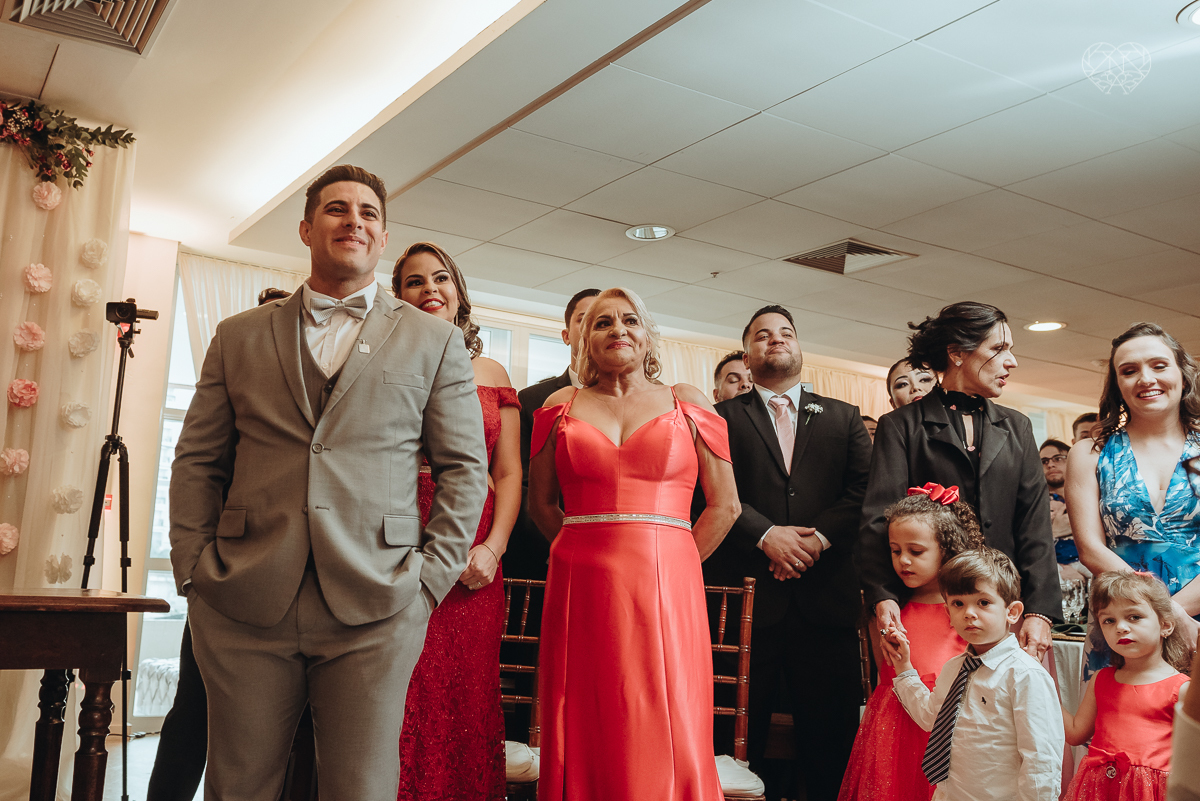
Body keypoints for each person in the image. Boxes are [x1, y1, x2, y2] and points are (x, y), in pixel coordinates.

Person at [169, 165, 489, 800]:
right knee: (238, 786)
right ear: (306, 228)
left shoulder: (434, 342)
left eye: (369, 213)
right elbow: (198, 461)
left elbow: (464, 470)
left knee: (361, 788)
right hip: (242, 599)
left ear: (383, 235)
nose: (355, 221)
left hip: (378, 601)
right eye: (338, 209)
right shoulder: (238, 336)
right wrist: (194, 571)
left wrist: (427, 583)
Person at [528, 287, 740, 801]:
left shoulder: (687, 401)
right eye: (602, 322)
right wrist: (586, 549)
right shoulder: (560, 406)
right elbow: (541, 504)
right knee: (585, 704)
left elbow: (725, 506)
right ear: (583, 339)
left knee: (663, 703)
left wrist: (676, 561)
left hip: (668, 581)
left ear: (648, 338)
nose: (617, 330)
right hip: (580, 582)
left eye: (629, 321)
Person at [702, 304, 872, 801]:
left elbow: (863, 492)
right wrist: (766, 535)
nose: (775, 339)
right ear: (748, 354)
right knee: (737, 744)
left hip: (827, 606)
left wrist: (814, 541)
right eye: (762, 335)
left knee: (831, 745)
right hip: (748, 607)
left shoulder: (842, 418)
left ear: (799, 348)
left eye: (785, 333)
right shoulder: (719, 418)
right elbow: (706, 492)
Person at [148, 286, 298, 801]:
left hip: (300, 585)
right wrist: (196, 570)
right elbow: (197, 469)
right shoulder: (236, 390)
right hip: (228, 573)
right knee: (194, 707)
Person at [859, 301, 1062, 664]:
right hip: (930, 605)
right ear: (956, 354)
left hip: (1003, 610)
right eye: (999, 349)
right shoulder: (902, 425)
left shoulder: (1017, 427)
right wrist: (882, 594)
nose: (1011, 361)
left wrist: (1040, 611)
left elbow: (1034, 525)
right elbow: (879, 520)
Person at [392, 242, 521, 801]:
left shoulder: (491, 373)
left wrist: (493, 549)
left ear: (459, 294)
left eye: (440, 279)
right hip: (398, 545)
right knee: (398, 693)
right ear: (397, 297)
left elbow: (511, 474)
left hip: (475, 559)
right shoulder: (382, 363)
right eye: (414, 282)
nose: (429, 290)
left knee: (465, 697)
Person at [1066, 322, 1200, 678]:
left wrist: (1170, 613)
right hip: (1121, 623)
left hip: (1196, 615)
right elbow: (1091, 549)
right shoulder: (1089, 454)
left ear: (1183, 375)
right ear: (1117, 385)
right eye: (1129, 371)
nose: (1145, 378)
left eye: (1158, 365)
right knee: (1123, 728)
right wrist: (1154, 613)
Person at [838, 484, 981, 801]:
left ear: (947, 548)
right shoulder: (888, 612)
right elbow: (884, 676)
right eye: (895, 550)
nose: (903, 560)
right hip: (895, 734)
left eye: (916, 552)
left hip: (951, 735)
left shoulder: (964, 611)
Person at [888, 548, 1064, 801]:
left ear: (1012, 612)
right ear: (948, 614)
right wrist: (904, 666)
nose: (969, 613)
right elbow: (930, 718)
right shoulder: (954, 668)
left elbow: (1041, 761)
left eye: (983, 602)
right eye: (958, 604)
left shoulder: (1025, 676)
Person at [1062, 571, 1191, 800]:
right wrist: (1044, 687)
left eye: (1134, 617)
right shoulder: (1100, 679)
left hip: (1151, 792)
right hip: (1098, 788)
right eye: (1109, 620)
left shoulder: (1181, 688)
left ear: (1166, 625)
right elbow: (1074, 733)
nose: (1120, 627)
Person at [510, 288, 599, 582]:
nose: (592, 329)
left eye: (603, 321)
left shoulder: (641, 404)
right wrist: (558, 538)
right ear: (566, 335)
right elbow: (520, 480)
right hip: (542, 552)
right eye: (584, 320)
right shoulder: (532, 400)